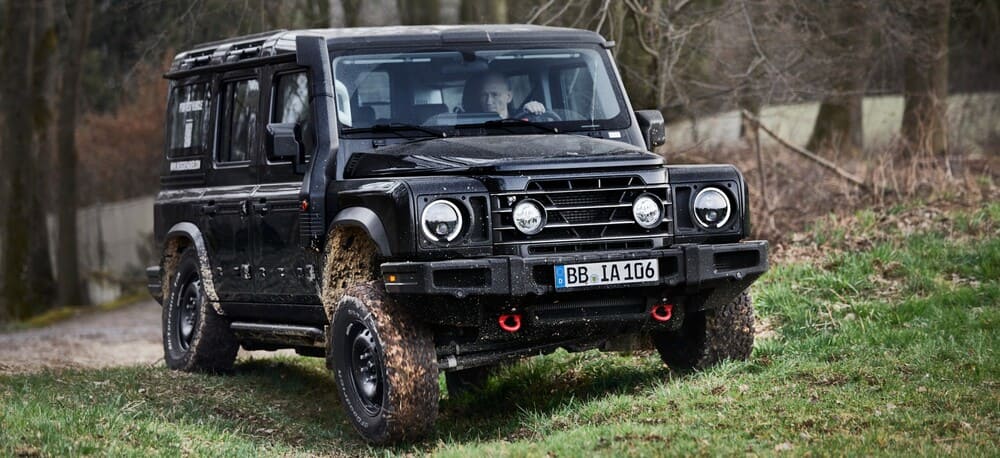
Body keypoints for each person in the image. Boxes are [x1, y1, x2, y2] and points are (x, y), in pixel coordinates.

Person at [477, 72, 547, 119]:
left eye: (495, 95)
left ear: (509, 97)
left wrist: (536, 109)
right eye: (484, 95)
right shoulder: (472, 125)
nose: (489, 101)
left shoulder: (523, 119)